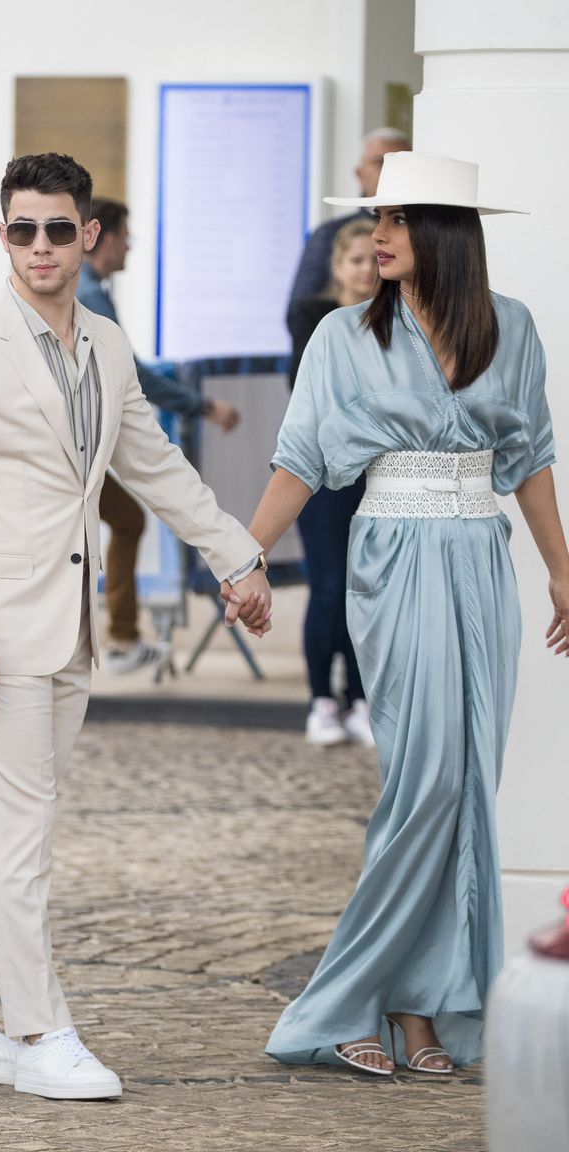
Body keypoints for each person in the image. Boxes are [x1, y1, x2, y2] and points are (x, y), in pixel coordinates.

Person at [0, 152, 270, 1101]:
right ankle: (40, 1029)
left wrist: (234, 551)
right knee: (23, 837)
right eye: (22, 229)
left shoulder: (103, 344)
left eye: (59, 228)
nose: (41, 246)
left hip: (67, 628)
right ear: (3, 235)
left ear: (87, 234)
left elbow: (154, 462)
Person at [225, 152, 569, 1075]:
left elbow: (528, 457)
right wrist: (244, 554)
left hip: (480, 564)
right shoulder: (343, 336)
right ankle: (350, 998)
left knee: (468, 798)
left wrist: (562, 573)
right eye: (375, 220)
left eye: (394, 221)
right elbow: (299, 457)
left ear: (446, 236)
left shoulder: (514, 328)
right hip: (397, 558)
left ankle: (423, 1009)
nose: (375, 236)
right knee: (423, 789)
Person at [78, 198, 240, 673]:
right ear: (104, 237)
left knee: (126, 520)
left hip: (81, 445)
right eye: (126, 235)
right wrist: (204, 405)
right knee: (124, 521)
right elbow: (136, 376)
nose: (130, 244)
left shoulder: (91, 290)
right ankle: (116, 640)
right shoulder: (91, 293)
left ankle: (119, 638)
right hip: (72, 449)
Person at [287, 218, 377, 746]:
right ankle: (322, 700)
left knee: (366, 588)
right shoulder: (313, 316)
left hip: (377, 473)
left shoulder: (396, 317)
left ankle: (362, 699)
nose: (367, 269)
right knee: (328, 586)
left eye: (373, 259)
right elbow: (313, 396)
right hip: (322, 472)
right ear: (338, 267)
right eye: (356, 260)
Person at [286, 127, 409, 320]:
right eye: (381, 162)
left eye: (403, 163)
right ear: (360, 175)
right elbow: (300, 312)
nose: (392, 171)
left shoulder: (426, 232)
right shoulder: (329, 234)